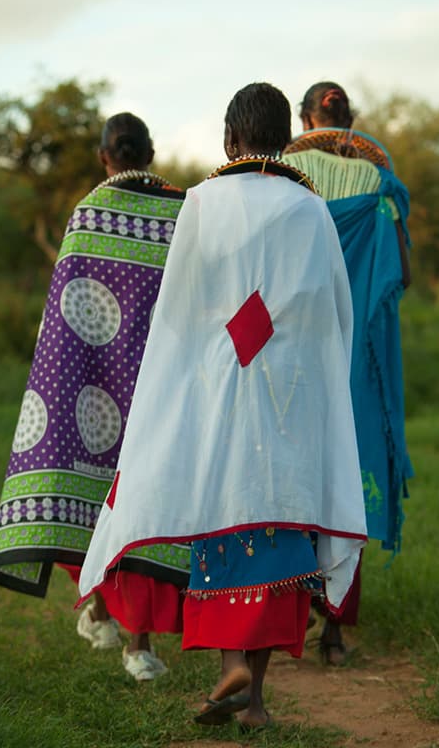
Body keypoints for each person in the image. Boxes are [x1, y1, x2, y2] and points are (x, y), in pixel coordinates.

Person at [78, 83, 368, 730]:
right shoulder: (310, 210)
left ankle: (230, 661)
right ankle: (256, 697)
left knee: (226, 515)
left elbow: (177, 312)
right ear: (281, 137)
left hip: (220, 388)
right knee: (279, 525)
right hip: (288, 395)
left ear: (231, 140)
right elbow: (334, 316)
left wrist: (173, 382)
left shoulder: (203, 204)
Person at [0, 112, 189, 681]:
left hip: (94, 389)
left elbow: (66, 318)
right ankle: (135, 644)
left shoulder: (87, 215)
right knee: (142, 509)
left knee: (95, 504)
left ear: (104, 158)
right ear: (149, 153)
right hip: (158, 391)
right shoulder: (181, 216)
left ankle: (107, 615)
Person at [283, 82, 414, 666]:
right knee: (347, 477)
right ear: (348, 119)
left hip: (291, 353)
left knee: (292, 474)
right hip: (354, 356)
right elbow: (400, 275)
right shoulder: (379, 184)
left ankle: (283, 617)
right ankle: (333, 631)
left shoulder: (283, 175)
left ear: (303, 117)